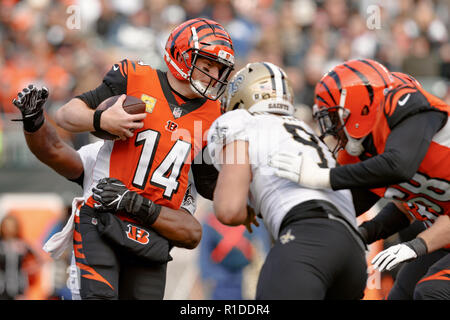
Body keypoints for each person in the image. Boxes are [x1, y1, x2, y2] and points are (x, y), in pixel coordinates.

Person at [12, 17, 235, 300]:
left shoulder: (214, 114)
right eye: (207, 66)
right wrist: (100, 118)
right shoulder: (135, 78)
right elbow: (65, 120)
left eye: (219, 68)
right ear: (181, 55)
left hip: (154, 231)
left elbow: (208, 193)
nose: (214, 75)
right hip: (103, 223)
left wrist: (247, 194)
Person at [269, 59, 450, 299]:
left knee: (432, 292)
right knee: (401, 294)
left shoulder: (409, 105)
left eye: (335, 117)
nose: (332, 128)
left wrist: (324, 176)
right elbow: (381, 208)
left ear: (361, 106)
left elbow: (399, 166)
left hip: (441, 236)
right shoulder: (372, 149)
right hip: (443, 240)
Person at [12, 85, 200, 300]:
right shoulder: (101, 153)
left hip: (144, 260)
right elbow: (54, 150)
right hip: (98, 249)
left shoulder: (173, 172)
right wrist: (35, 121)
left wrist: (134, 204)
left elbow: (191, 233)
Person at [207, 62, 367, 299]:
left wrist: (245, 212)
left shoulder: (240, 121)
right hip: (352, 250)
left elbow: (229, 210)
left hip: (307, 237)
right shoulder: (305, 129)